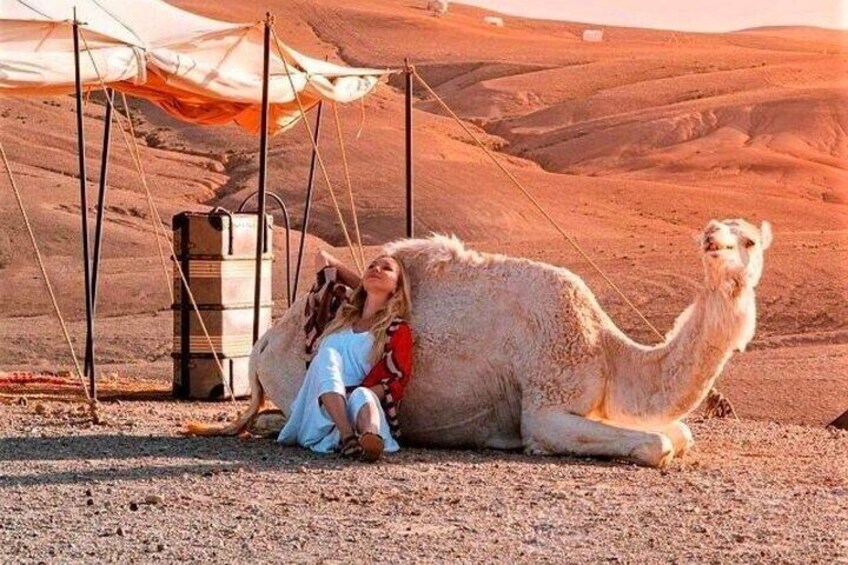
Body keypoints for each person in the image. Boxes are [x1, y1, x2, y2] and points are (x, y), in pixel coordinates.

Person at [278, 252, 414, 462]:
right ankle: (348, 436)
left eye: (386, 268)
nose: (376, 269)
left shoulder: (396, 329)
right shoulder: (340, 318)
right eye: (371, 265)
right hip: (323, 412)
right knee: (327, 356)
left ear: (397, 287)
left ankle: (370, 439)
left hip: (361, 406)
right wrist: (363, 283)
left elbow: (397, 380)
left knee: (362, 395)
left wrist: (354, 396)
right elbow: (322, 257)